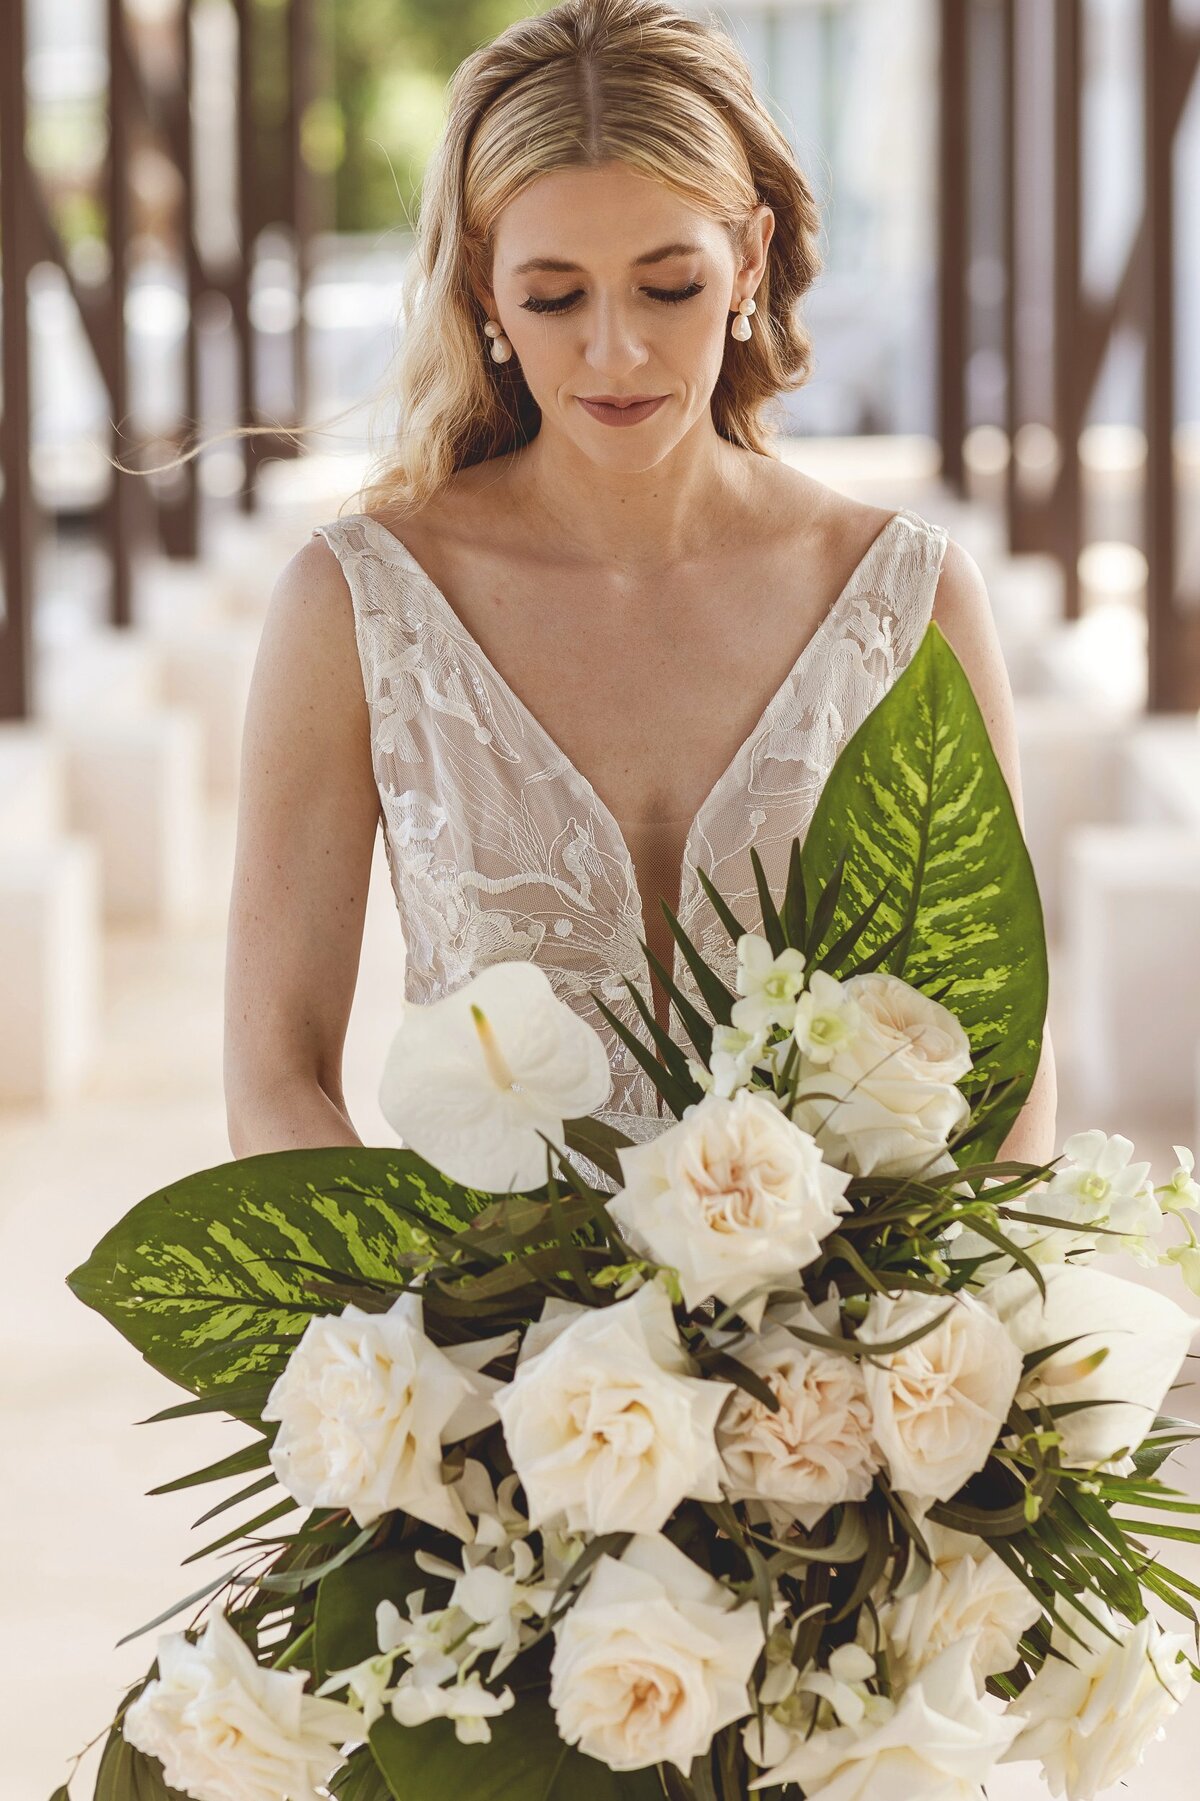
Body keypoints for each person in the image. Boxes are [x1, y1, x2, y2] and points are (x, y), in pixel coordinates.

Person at [223, 0, 1056, 1170]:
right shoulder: (357, 605)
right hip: (483, 1335)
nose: (614, 352)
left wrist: (921, 1339)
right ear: (482, 289)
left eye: (666, 285)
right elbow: (274, 1076)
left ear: (748, 261)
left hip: (847, 1341)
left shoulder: (906, 601)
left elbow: (1002, 1070)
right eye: (556, 296)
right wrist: (448, 1324)